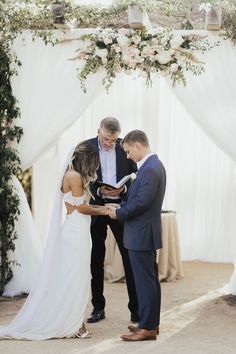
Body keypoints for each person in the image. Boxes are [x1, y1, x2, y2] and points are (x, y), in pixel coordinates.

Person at [0, 141, 110, 340]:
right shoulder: (74, 176)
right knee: (74, 278)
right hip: (76, 231)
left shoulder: (71, 173)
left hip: (75, 228)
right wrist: (106, 210)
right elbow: (81, 207)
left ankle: (76, 322)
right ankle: (76, 324)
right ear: (88, 159)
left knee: (74, 277)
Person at [108, 130, 166, 342]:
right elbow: (139, 198)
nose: (128, 156)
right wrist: (121, 204)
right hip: (143, 232)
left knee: (145, 282)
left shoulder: (150, 169)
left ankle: (148, 328)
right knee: (148, 281)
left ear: (138, 146)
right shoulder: (152, 166)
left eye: (128, 151)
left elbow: (142, 203)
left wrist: (118, 213)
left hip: (141, 233)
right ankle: (149, 323)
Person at [86, 117, 139, 323]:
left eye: (114, 140)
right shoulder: (86, 147)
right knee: (96, 258)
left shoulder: (124, 145)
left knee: (129, 257)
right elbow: (78, 176)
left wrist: (123, 188)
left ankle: (135, 310)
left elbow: (135, 175)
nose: (110, 144)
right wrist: (98, 189)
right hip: (97, 209)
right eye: (107, 139)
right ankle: (98, 308)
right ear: (98, 131)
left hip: (120, 209)